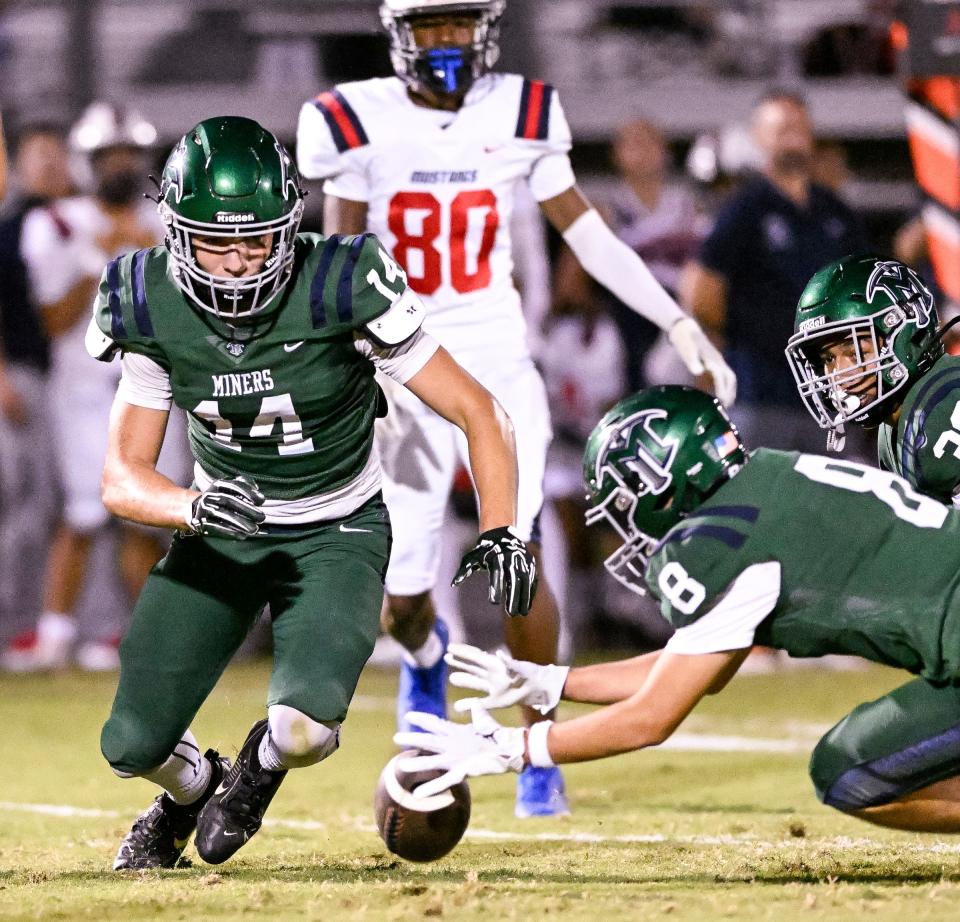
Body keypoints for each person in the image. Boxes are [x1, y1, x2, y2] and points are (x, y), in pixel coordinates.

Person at [296, 0, 735, 818]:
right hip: (399, 360)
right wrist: (334, 360)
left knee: (516, 552)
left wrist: (674, 316)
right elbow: (339, 260)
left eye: (462, 22)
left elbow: (590, 234)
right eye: (432, 26)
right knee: (400, 589)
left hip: (495, 356)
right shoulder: (352, 118)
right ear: (400, 34)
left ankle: (539, 741)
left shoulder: (520, 111)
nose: (451, 41)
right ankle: (427, 655)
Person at [95, 116, 536, 871]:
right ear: (175, 231)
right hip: (221, 532)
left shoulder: (341, 280)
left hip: (335, 531)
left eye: (256, 241)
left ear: (289, 227)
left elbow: (477, 409)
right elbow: (121, 475)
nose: (236, 264)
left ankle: (260, 767)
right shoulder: (148, 299)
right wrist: (190, 507)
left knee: (307, 729)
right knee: (130, 744)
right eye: (215, 242)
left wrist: (502, 528)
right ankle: (191, 793)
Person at [397, 385, 960, 836]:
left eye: (625, 497)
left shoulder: (726, 544)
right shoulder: (769, 479)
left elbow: (652, 719)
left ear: (666, 481)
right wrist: (550, 682)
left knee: (845, 769)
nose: (626, 522)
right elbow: (686, 668)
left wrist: (514, 748)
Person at [7, 103, 171, 671]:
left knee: (144, 520)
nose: (122, 165)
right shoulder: (54, 223)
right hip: (81, 388)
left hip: (153, 384)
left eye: (130, 154)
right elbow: (54, 318)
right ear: (89, 162)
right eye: (111, 156)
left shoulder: (167, 223)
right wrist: (96, 254)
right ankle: (55, 634)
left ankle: (147, 638)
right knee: (79, 516)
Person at [684, 90, 866, 452]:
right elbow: (700, 290)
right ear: (758, 138)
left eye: (800, 127)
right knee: (757, 502)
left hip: (832, 397)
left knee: (832, 505)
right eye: (782, 129)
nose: (794, 137)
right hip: (760, 391)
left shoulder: (835, 211)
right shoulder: (744, 208)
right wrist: (741, 342)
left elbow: (865, 285)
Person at [786, 255, 960, 500]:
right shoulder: (895, 426)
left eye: (855, 352)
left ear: (908, 335)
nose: (839, 375)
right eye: (828, 359)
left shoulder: (942, 408)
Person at [0, 123, 73, 659]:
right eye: (38, 155)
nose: (49, 165)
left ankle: (31, 626)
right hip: (18, 375)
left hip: (58, 378)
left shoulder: (68, 217)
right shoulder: (11, 226)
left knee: (49, 506)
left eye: (56, 155)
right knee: (23, 504)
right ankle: (12, 624)